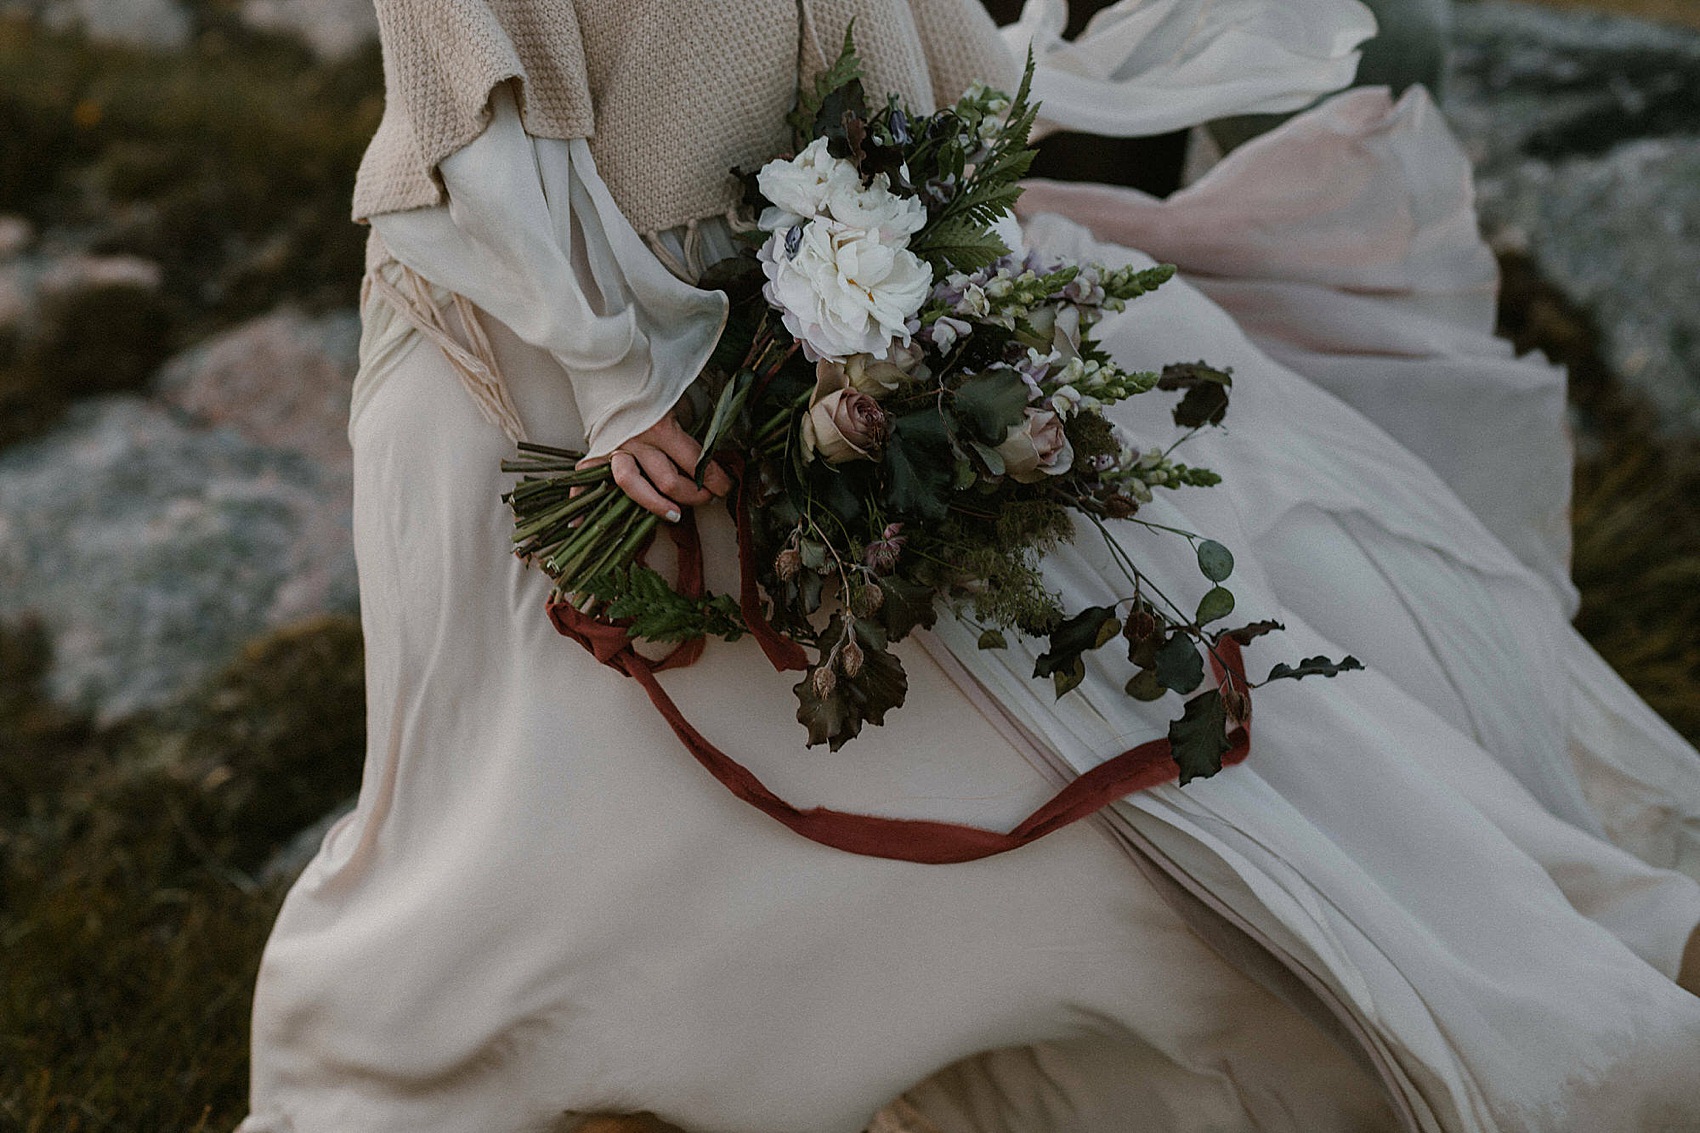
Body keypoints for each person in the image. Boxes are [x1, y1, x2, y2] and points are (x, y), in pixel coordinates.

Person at [238, 1, 1700, 1130]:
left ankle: (1278, 999)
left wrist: (913, 292)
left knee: (1001, 779)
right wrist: (621, 372)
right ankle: (401, 1062)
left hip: (784, 337)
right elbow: (468, 121)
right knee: (506, 817)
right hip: (535, 367)